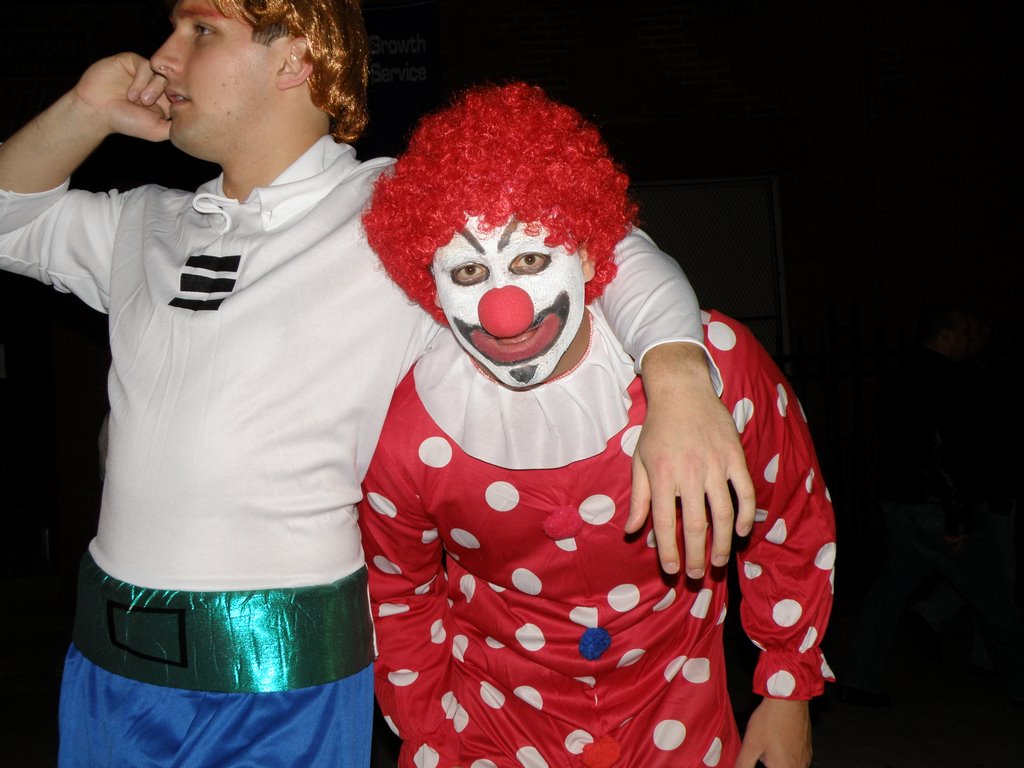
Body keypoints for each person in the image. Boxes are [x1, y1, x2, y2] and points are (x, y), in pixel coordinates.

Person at [0, 1, 755, 765]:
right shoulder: (140, 222)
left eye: (200, 30)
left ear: (295, 57)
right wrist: (85, 111)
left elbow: (601, 246)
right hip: (109, 662)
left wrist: (681, 380)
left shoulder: (391, 208)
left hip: (281, 679)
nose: (162, 57)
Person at [358, 82, 837, 768]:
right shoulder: (411, 429)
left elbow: (791, 520)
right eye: (467, 269)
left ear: (586, 256)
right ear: (429, 286)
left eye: (529, 259)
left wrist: (787, 686)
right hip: (490, 731)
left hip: (678, 717)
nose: (503, 309)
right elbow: (399, 595)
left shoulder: (716, 369)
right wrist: (428, 731)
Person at [837, 304, 1024, 707]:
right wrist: (956, 516)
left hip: (899, 502)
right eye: (963, 332)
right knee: (994, 598)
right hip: (934, 506)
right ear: (946, 335)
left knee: (888, 593)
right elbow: (940, 451)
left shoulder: (898, 379)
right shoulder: (945, 380)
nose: (969, 340)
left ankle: (858, 678)